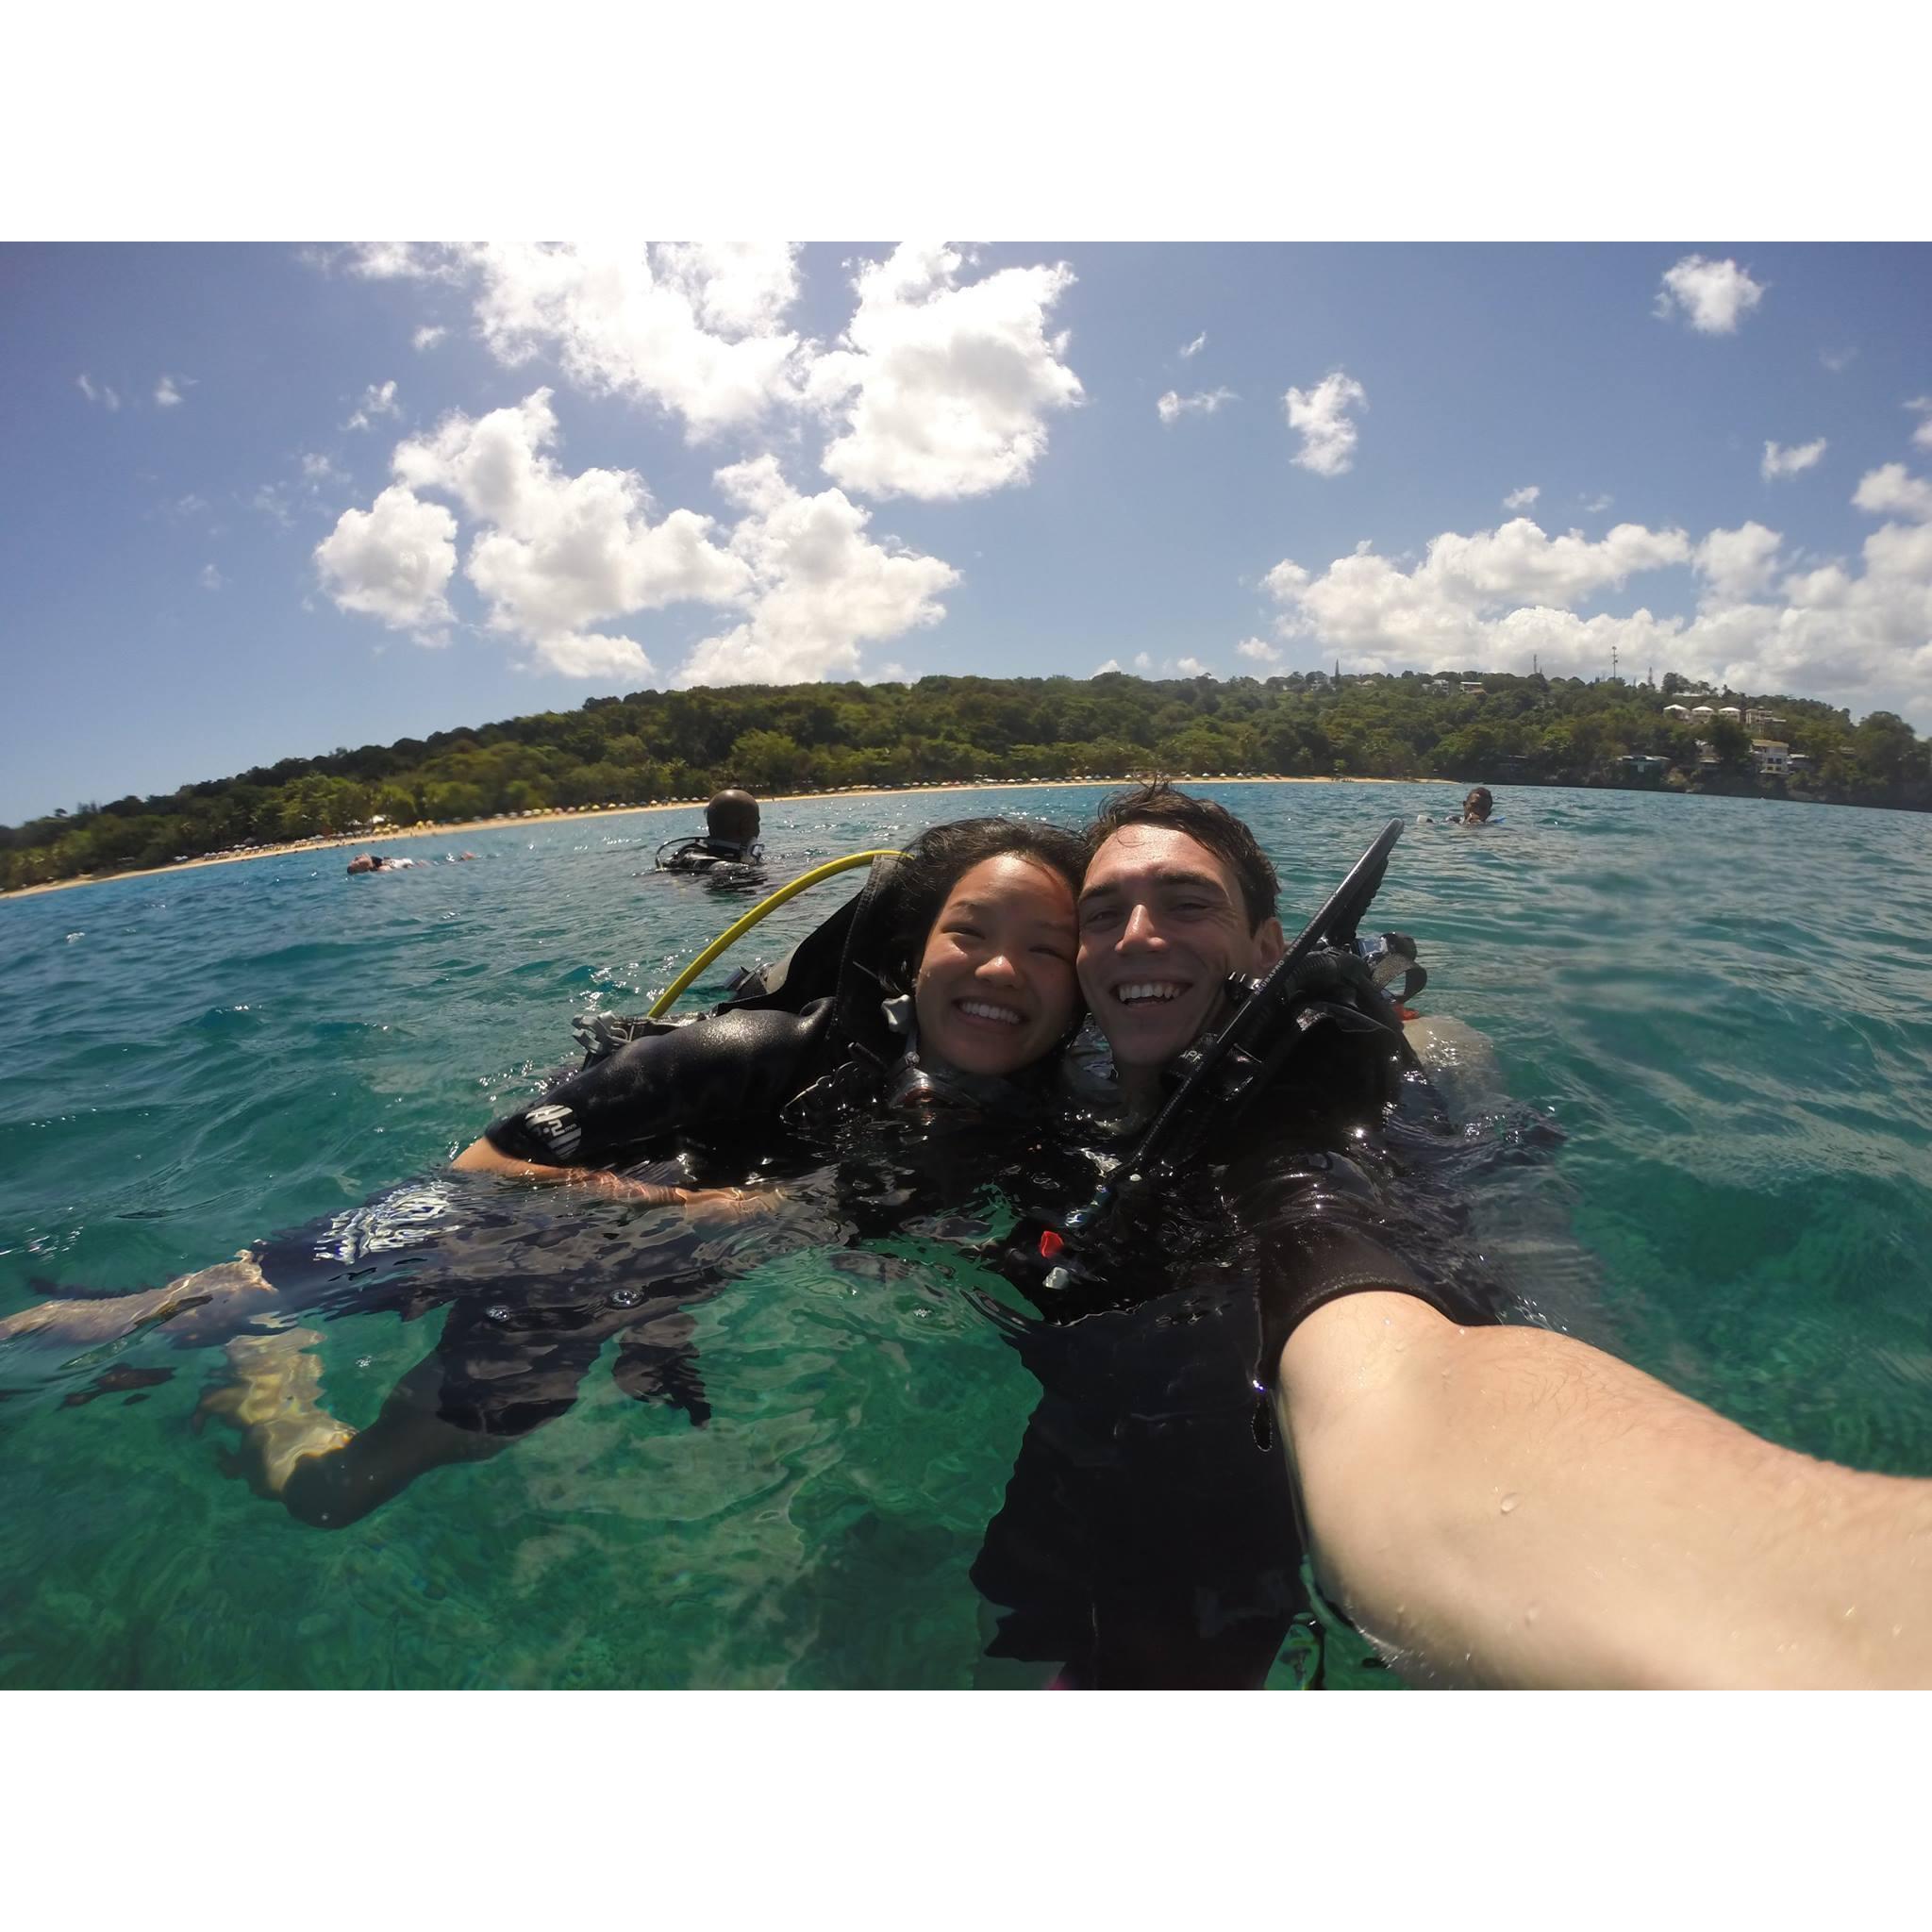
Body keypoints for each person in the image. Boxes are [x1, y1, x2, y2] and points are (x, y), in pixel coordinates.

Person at [3, 818, 1091, 1527]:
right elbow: (482, 1164)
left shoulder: (1012, 1131)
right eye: (969, 932)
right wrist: (702, 1219)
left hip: (591, 1293)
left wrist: (672, 1291)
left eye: (1047, 947)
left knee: (338, 1493)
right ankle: (247, 1331)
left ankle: (265, 1392)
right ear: (911, 956)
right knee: (146, 1318)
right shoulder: (746, 1051)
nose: (1002, 967)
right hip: (482, 1222)